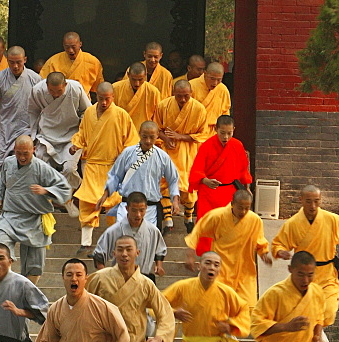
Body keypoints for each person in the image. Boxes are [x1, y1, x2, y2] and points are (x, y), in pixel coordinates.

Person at [271, 185, 339, 337]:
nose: (313, 206)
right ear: (301, 200)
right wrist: (281, 252)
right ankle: (314, 334)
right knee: (301, 310)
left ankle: (318, 331)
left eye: (316, 201)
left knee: (329, 308)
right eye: (308, 201)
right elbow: (278, 243)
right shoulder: (293, 223)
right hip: (304, 276)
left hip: (327, 274)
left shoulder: (330, 219)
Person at [0, 135, 71, 284]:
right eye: (18, 153)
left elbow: (65, 188)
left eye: (26, 153)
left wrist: (46, 190)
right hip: (10, 216)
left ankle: (26, 292)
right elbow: (2, 180)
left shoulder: (42, 168)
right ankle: (4, 286)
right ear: (14, 150)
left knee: (34, 266)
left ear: (33, 150)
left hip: (34, 218)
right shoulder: (8, 163)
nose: (21, 157)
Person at [70, 82, 139, 251]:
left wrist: (124, 160)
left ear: (113, 97)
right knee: (87, 202)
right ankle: (85, 243)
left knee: (113, 203)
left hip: (113, 167)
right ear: (96, 97)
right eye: (101, 99)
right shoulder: (89, 112)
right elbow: (83, 133)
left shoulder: (121, 115)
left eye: (107, 99)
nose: (104, 103)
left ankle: (114, 242)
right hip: (92, 164)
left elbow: (131, 142)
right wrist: (76, 144)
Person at [185, 190, 272, 307]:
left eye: (247, 208)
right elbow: (197, 231)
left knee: (246, 308)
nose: (243, 211)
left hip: (244, 270)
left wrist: (264, 254)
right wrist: (190, 255)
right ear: (232, 203)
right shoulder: (217, 216)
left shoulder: (255, 220)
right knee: (216, 306)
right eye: (240, 208)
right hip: (221, 268)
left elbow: (259, 241)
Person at [99, 120, 181, 230]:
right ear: (139, 134)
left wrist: (175, 200)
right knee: (124, 242)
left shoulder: (162, 156)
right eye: (144, 136)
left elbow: (173, 179)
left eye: (152, 137)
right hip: (127, 207)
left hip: (150, 208)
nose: (148, 141)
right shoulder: (128, 153)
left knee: (147, 243)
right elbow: (115, 175)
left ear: (157, 135)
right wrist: (105, 195)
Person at [29, 71, 90, 214]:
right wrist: (32, 135)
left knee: (69, 169)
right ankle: (48, 201)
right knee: (41, 165)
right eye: (51, 91)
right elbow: (32, 111)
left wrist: (83, 134)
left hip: (71, 135)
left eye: (59, 91)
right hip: (47, 134)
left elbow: (87, 111)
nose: (55, 94)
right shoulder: (38, 90)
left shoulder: (75, 88)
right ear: (46, 86)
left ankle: (66, 196)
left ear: (65, 85)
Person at [0, 46, 41, 173]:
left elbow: (43, 103)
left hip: (26, 126)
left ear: (25, 60)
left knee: (23, 161)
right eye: (11, 62)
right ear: (7, 60)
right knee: (2, 164)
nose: (15, 66)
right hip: (6, 126)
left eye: (18, 62)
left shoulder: (35, 79)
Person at [155, 80, 207, 233]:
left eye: (186, 96)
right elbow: (156, 128)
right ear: (173, 93)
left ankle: (188, 217)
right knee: (164, 184)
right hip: (168, 151)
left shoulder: (199, 109)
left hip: (188, 151)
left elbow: (202, 135)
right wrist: (166, 138)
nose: (183, 99)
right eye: (179, 96)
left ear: (191, 94)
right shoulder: (163, 106)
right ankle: (168, 220)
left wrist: (180, 136)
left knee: (188, 185)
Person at [93, 191, 168, 281]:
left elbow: (159, 250)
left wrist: (159, 266)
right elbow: (99, 255)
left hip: (144, 278)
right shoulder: (114, 230)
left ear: (146, 208)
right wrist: (106, 276)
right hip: (119, 279)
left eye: (141, 210)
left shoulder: (153, 231)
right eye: (134, 210)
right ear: (127, 208)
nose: (138, 214)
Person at [188, 115, 253, 218]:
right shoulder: (206, 146)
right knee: (207, 226)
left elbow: (243, 169)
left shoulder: (237, 145)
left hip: (230, 192)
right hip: (209, 192)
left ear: (234, 130)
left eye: (229, 133)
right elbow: (196, 169)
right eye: (222, 133)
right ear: (215, 129)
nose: (225, 137)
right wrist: (205, 180)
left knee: (228, 225)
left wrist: (247, 188)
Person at [39, 31, 104, 96]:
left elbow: (99, 88)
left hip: (82, 100)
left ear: (80, 44)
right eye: (67, 47)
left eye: (73, 47)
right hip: (58, 101)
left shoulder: (92, 62)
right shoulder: (53, 61)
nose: (70, 50)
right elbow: (42, 84)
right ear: (63, 46)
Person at [112, 62, 161, 131]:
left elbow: (157, 117)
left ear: (145, 75)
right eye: (133, 79)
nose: (137, 84)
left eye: (140, 79)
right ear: (128, 75)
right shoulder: (115, 88)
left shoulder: (153, 92)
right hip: (120, 130)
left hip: (143, 133)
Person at [189, 62, 232, 141]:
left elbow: (225, 114)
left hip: (214, 133)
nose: (215, 83)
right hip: (195, 132)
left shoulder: (223, 89)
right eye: (212, 78)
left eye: (219, 80)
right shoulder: (192, 86)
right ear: (205, 73)